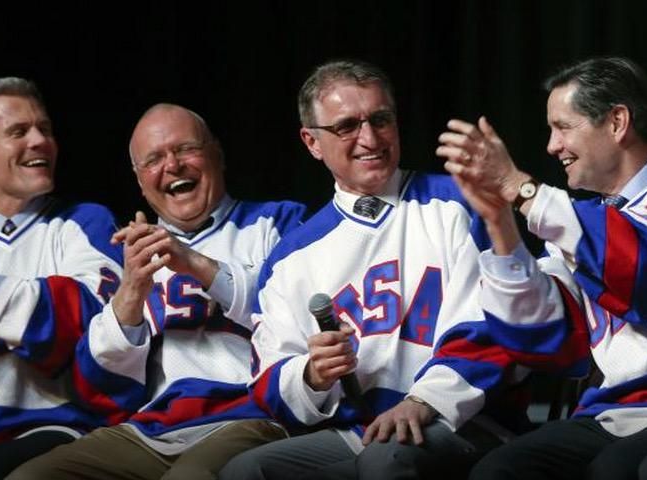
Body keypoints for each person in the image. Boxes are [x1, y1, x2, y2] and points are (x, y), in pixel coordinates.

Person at [219, 60, 530, 480]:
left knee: (386, 460)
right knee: (246, 472)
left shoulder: (460, 203)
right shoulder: (291, 255)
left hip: (465, 419)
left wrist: (425, 401)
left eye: (381, 119)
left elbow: (500, 320)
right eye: (347, 126)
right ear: (312, 142)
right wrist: (312, 373)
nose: (370, 138)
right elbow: (270, 380)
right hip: (358, 431)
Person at [7, 103, 307, 480]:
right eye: (154, 159)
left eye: (185, 149)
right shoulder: (128, 252)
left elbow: (292, 317)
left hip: (249, 414)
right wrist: (131, 292)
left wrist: (195, 262)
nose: (172, 165)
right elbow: (100, 382)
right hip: (151, 428)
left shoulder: (278, 221)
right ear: (140, 182)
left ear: (217, 154)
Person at [437, 56, 647, 480]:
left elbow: (644, 271)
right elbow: (543, 335)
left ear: (617, 122)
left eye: (563, 127)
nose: (551, 146)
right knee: (501, 470)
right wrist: (500, 222)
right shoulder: (584, 227)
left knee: (619, 470)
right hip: (614, 412)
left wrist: (519, 188)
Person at [0, 77, 133, 479]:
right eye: (18, 132)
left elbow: (94, 318)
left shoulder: (84, 223)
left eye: (44, 129)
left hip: (61, 421)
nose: (40, 141)